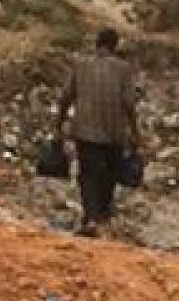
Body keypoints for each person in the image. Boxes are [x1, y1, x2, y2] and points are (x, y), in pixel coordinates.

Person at [56, 28, 141, 236]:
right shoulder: (123, 69)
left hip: (86, 130)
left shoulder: (81, 66)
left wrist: (59, 122)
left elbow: (66, 96)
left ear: (97, 43)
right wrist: (135, 131)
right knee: (109, 174)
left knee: (88, 174)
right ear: (115, 45)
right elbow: (129, 102)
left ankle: (92, 217)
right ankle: (101, 215)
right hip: (114, 132)